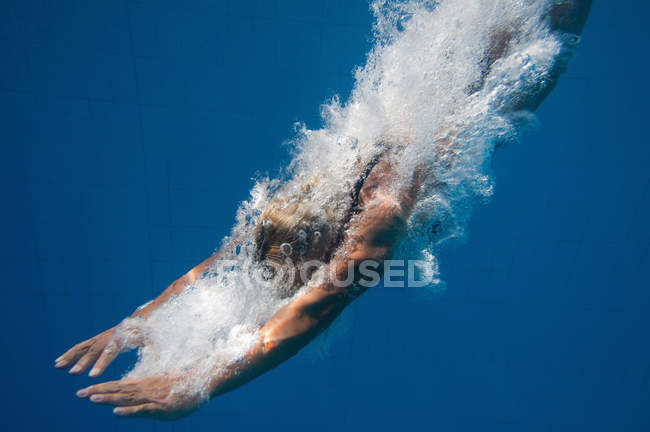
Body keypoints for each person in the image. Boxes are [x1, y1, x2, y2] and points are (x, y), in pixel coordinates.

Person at [55, 0, 591, 419]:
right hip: (416, 126)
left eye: (294, 279)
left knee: (544, 44)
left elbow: (318, 307)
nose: (289, 288)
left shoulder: (381, 214)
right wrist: (137, 323)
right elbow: (210, 269)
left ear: (324, 250)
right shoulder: (296, 203)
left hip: (474, 115)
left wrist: (200, 384)